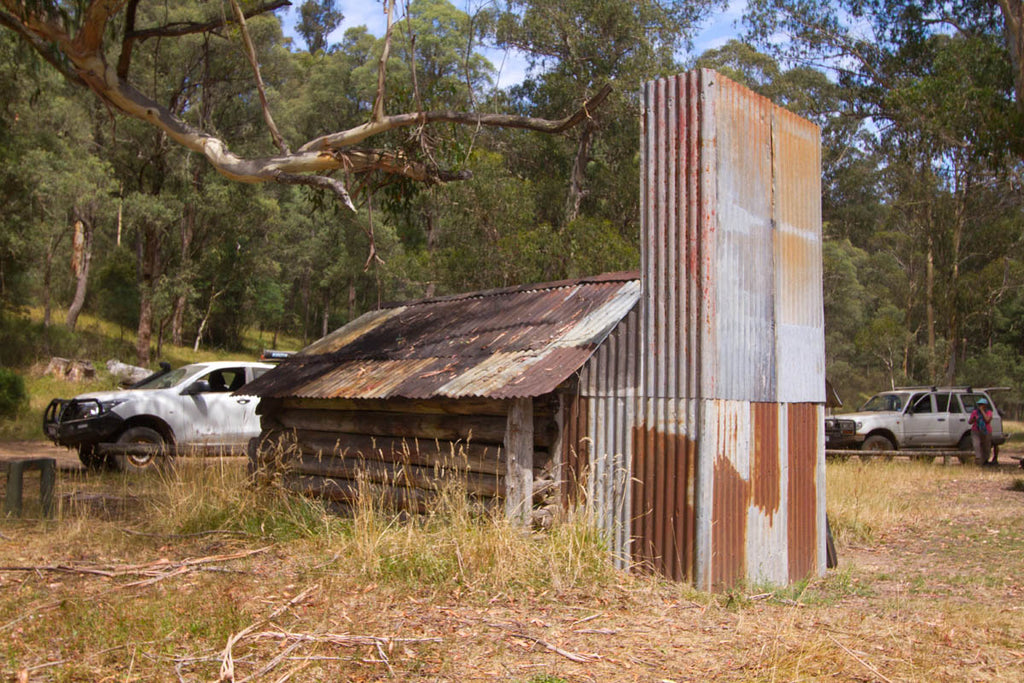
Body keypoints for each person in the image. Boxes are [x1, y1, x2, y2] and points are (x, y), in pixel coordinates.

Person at [968, 397, 994, 466]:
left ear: (985, 405)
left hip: (986, 431)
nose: (980, 406)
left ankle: (985, 461)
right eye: (979, 404)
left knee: (986, 447)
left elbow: (987, 420)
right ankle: (978, 459)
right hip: (976, 430)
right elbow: (970, 422)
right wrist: (974, 419)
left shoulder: (989, 412)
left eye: (982, 404)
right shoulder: (975, 412)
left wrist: (982, 411)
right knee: (976, 445)